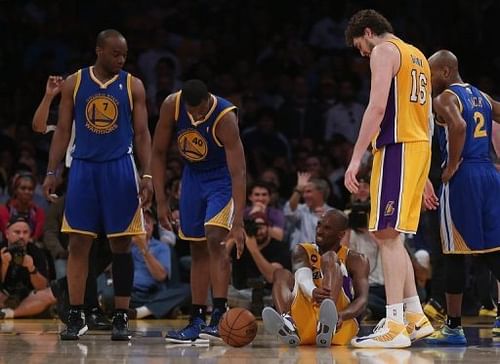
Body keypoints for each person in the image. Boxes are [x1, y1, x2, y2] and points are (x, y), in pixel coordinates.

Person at [42, 29, 153, 341]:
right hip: (83, 168)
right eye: (115, 54)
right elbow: (63, 129)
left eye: (124, 55)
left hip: (120, 168)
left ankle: (120, 316)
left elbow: (143, 134)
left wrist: (147, 175)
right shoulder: (75, 82)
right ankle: (76, 314)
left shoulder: (134, 85)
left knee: (122, 244)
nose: (121, 60)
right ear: (99, 51)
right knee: (78, 243)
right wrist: (52, 171)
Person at [344, 9, 434, 347]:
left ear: (368, 32)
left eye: (360, 46)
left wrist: (356, 158)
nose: (363, 53)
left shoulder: (384, 50)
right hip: (417, 147)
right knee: (393, 235)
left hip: (397, 147)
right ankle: (415, 315)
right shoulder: (418, 56)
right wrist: (423, 171)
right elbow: (426, 118)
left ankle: (394, 324)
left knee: (385, 233)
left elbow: (377, 107)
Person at [151, 79, 246, 343]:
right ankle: (195, 319)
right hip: (192, 178)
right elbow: (158, 152)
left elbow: (239, 173)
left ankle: (218, 315)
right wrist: (160, 201)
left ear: (209, 100)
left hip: (221, 180)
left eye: (202, 111)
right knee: (196, 248)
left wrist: (238, 222)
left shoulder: (225, 117)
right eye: (193, 112)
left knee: (215, 239)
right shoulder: (172, 105)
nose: (197, 116)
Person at [423, 50, 500, 345]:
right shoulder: (481, 95)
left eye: (430, 74)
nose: (427, 81)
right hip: (489, 173)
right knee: (493, 250)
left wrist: (453, 163)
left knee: (454, 252)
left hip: (464, 175)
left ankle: (453, 328)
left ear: (444, 71)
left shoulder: (444, 98)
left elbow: (458, 126)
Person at [262, 209, 369, 347]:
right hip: (303, 325)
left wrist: (342, 315)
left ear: (341, 234)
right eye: (319, 225)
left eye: (327, 228)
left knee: (330, 257)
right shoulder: (302, 250)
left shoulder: (357, 259)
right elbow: (302, 275)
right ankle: (287, 322)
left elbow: (362, 299)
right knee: (280, 273)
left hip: (339, 323)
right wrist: (312, 291)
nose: (319, 231)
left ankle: (328, 318)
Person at [228, 211, 291, 314]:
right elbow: (219, 264)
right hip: (242, 293)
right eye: (254, 226)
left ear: (268, 227)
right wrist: (232, 238)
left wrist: (254, 249)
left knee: (280, 297)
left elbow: (271, 276)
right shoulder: (240, 245)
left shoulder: (280, 247)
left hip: (269, 295)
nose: (257, 231)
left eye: (261, 226)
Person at [0, 215, 50, 319]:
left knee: (51, 294)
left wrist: (32, 268)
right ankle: (23, 311)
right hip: (3, 295)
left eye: (25, 232)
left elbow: (42, 287)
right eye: (17, 232)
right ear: (7, 234)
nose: (21, 236)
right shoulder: (2, 250)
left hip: (27, 298)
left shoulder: (36, 252)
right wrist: (4, 265)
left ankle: (8, 313)